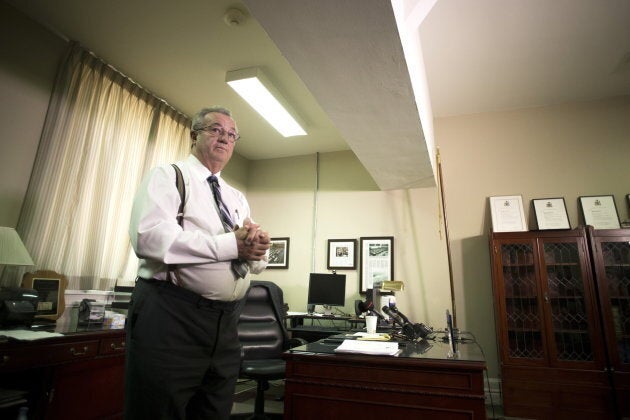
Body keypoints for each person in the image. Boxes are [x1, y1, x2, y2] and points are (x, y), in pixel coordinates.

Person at [125, 106, 271, 419]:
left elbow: (253, 263)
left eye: (231, 135)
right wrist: (232, 244)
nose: (225, 138)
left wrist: (258, 249)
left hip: (225, 323)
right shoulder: (168, 176)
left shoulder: (236, 197)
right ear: (194, 135)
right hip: (171, 317)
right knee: (160, 410)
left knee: (213, 411)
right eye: (216, 130)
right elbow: (148, 238)